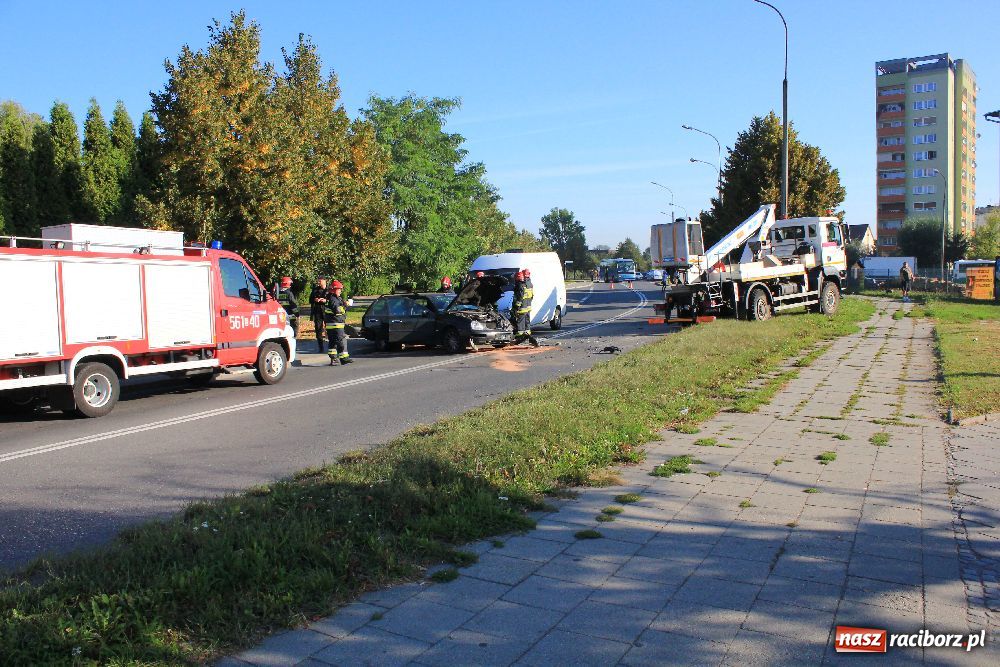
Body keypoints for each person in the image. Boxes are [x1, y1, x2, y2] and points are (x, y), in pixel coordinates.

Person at [324, 280, 353, 366]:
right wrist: (346, 305)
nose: (340, 291)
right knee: (341, 340)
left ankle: (334, 358)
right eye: (339, 289)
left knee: (332, 342)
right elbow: (337, 310)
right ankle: (344, 358)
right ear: (334, 289)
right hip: (336, 324)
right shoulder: (333, 299)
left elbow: (339, 304)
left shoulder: (331, 298)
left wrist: (345, 302)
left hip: (331, 324)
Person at [511, 270, 539, 347]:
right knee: (527, 323)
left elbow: (520, 297)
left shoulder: (521, 285)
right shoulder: (530, 284)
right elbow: (531, 296)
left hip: (522, 308)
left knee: (520, 323)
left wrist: (516, 306)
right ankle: (529, 337)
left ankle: (520, 338)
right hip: (528, 306)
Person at [309, 277, 328, 352]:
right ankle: (321, 348)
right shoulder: (315, 290)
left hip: (327, 312)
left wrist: (325, 300)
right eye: (318, 281)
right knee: (318, 330)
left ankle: (332, 346)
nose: (319, 283)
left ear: (325, 281)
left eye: (320, 281)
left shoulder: (329, 290)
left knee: (330, 329)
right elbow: (310, 300)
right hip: (317, 312)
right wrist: (315, 299)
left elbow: (333, 300)